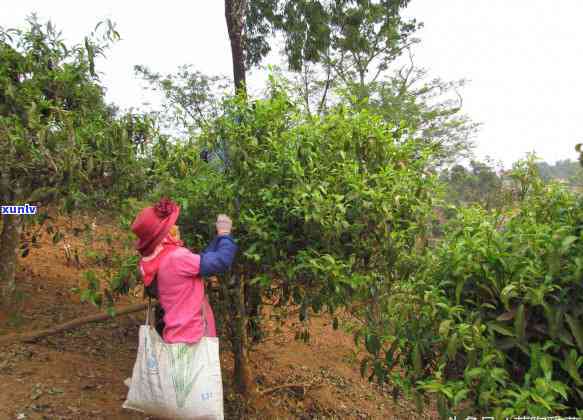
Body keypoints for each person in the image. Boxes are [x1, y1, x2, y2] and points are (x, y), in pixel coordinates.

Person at [131, 197, 237, 343]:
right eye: (172, 226)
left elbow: (203, 261)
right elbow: (220, 261)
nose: (177, 228)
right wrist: (225, 234)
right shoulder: (176, 258)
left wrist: (218, 238)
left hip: (176, 337)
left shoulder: (158, 259)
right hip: (192, 340)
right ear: (164, 235)